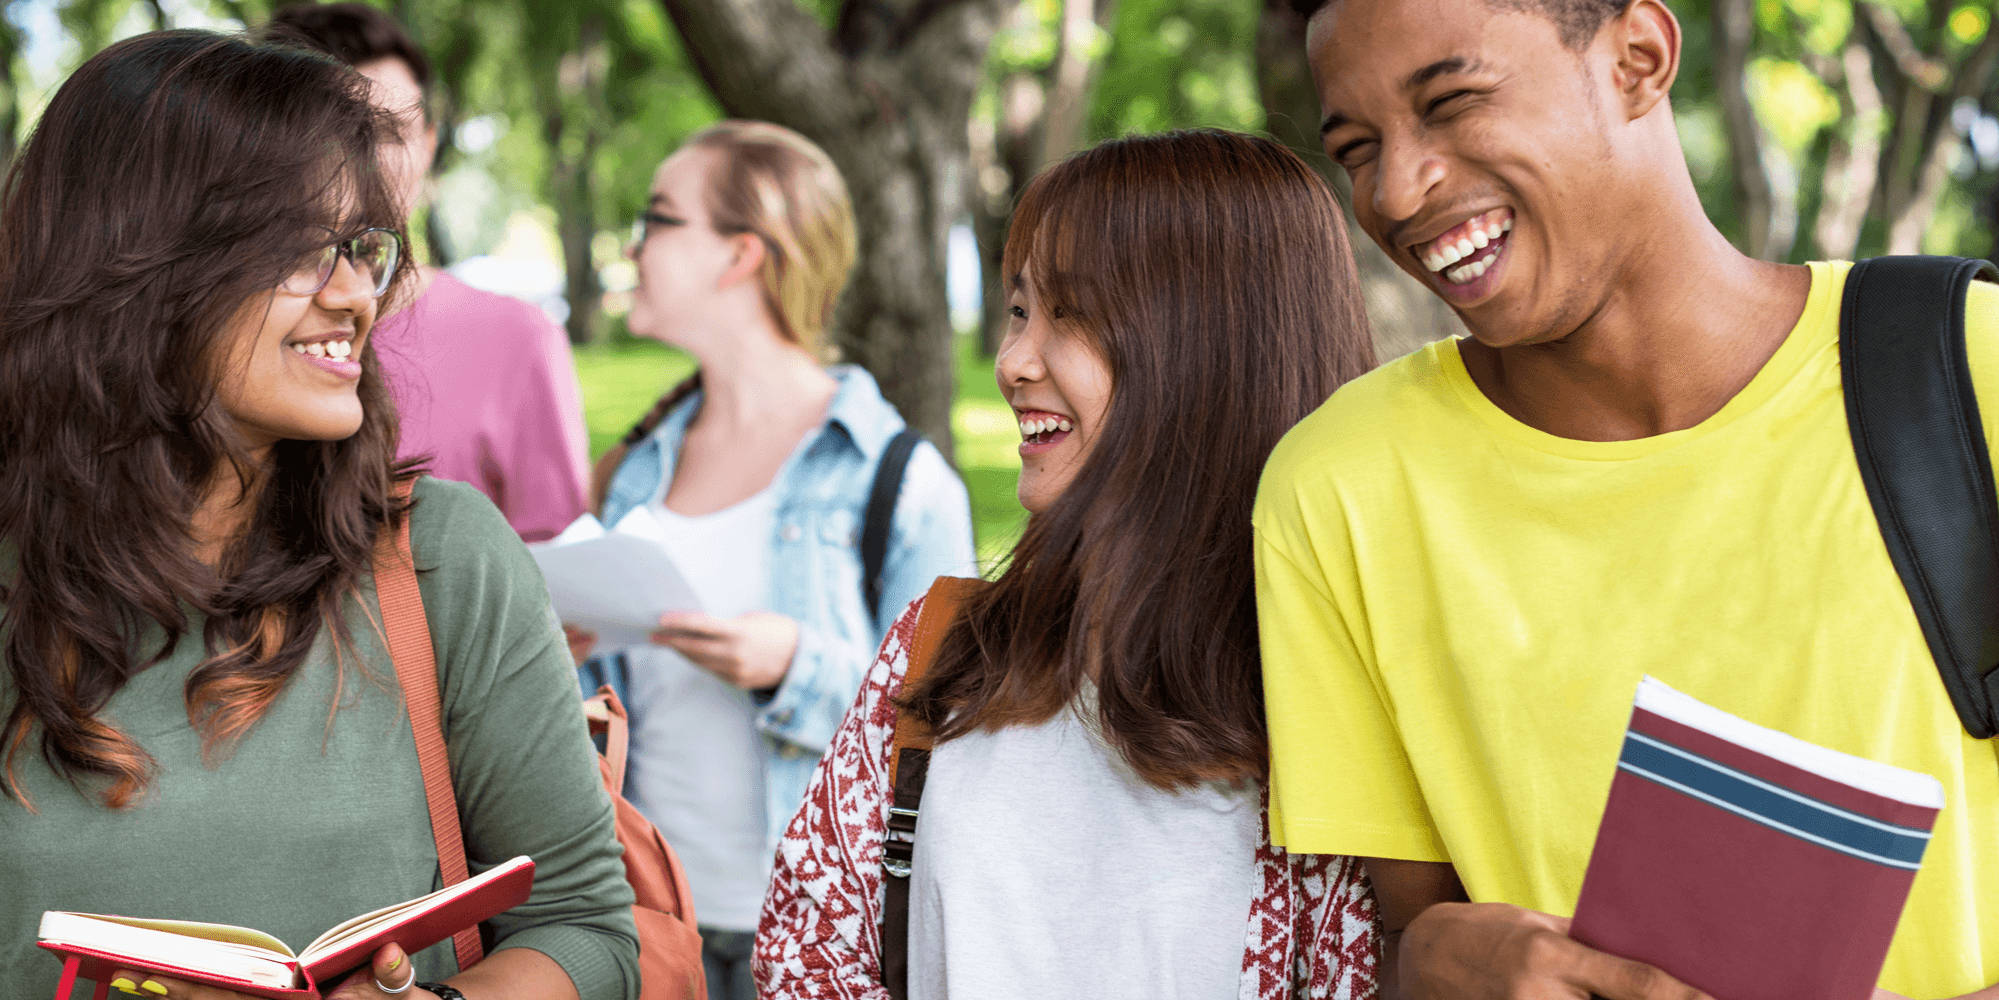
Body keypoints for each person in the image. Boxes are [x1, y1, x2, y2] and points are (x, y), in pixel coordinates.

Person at [1256, 0, 1999, 997]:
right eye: (1354, 150)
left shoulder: (1972, 369)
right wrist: (1426, 963)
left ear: (1637, 58)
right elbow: (1404, 925)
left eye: (1451, 102)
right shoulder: (1336, 487)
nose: (1397, 188)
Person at [0, 30, 638, 1000]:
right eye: (299, 248)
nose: (354, 296)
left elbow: (583, 925)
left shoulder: (442, 557)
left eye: (360, 248)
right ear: (140, 259)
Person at [753, 129, 1381, 999]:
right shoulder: (945, 648)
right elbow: (807, 955)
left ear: (1211, 348)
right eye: (1019, 311)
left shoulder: (1336, 691)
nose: (1013, 362)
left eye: (1073, 314)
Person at [575, 120, 976, 1000]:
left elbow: (955, 733)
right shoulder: (637, 468)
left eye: (659, 218)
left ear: (742, 254)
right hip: (645, 925)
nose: (633, 245)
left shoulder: (899, 481)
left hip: (816, 939)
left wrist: (795, 665)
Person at [263, 2, 594, 544]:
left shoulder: (519, 338)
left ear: (428, 145)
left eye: (390, 132)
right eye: (338, 132)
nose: (367, 161)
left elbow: (559, 568)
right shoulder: (220, 331)